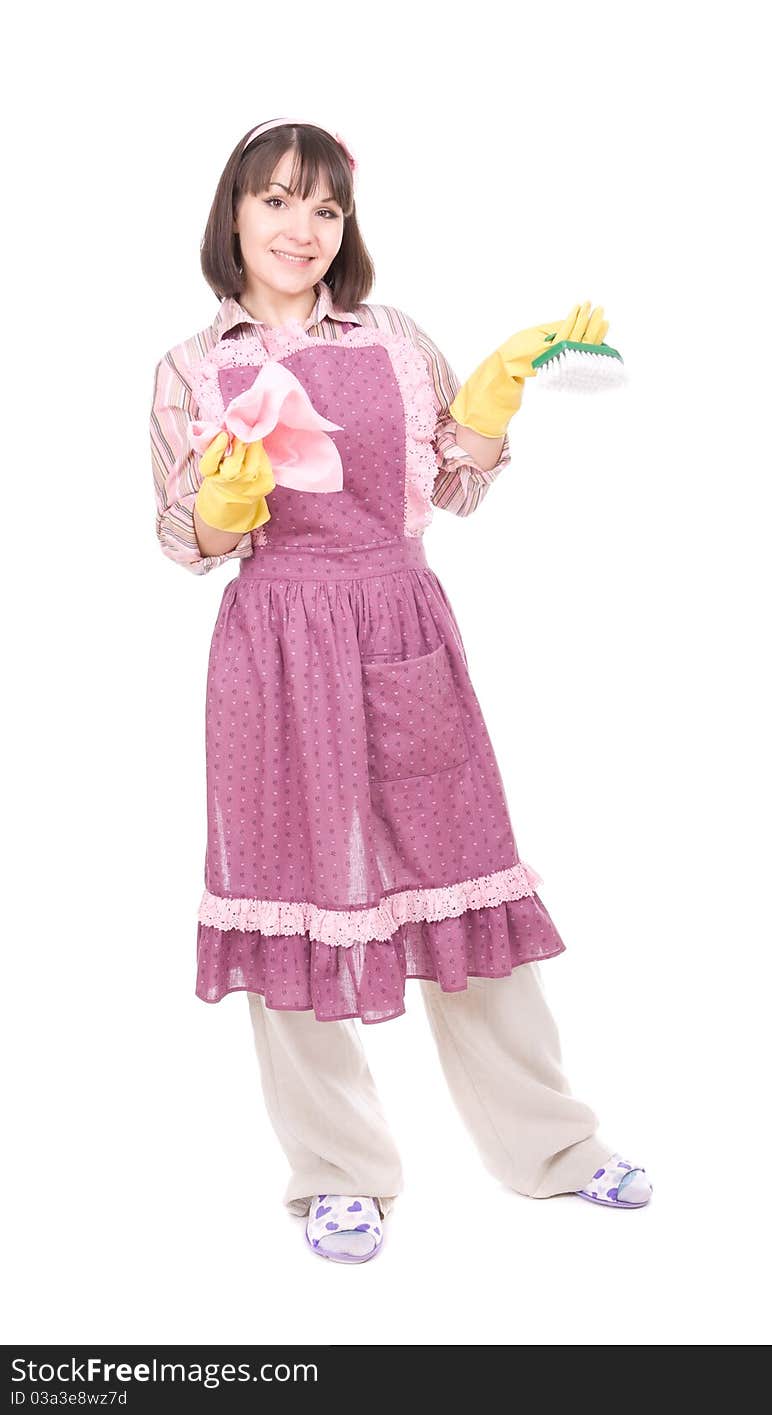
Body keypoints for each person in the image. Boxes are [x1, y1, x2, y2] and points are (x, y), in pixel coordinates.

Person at [149, 117, 653, 1266]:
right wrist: (223, 507)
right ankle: (336, 1175)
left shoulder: (392, 339)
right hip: (271, 649)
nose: (301, 229)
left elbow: (451, 488)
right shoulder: (190, 365)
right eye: (277, 201)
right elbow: (183, 542)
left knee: (462, 888)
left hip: (399, 626)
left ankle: (554, 1150)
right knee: (294, 894)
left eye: (324, 209)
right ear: (233, 214)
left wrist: (496, 392)